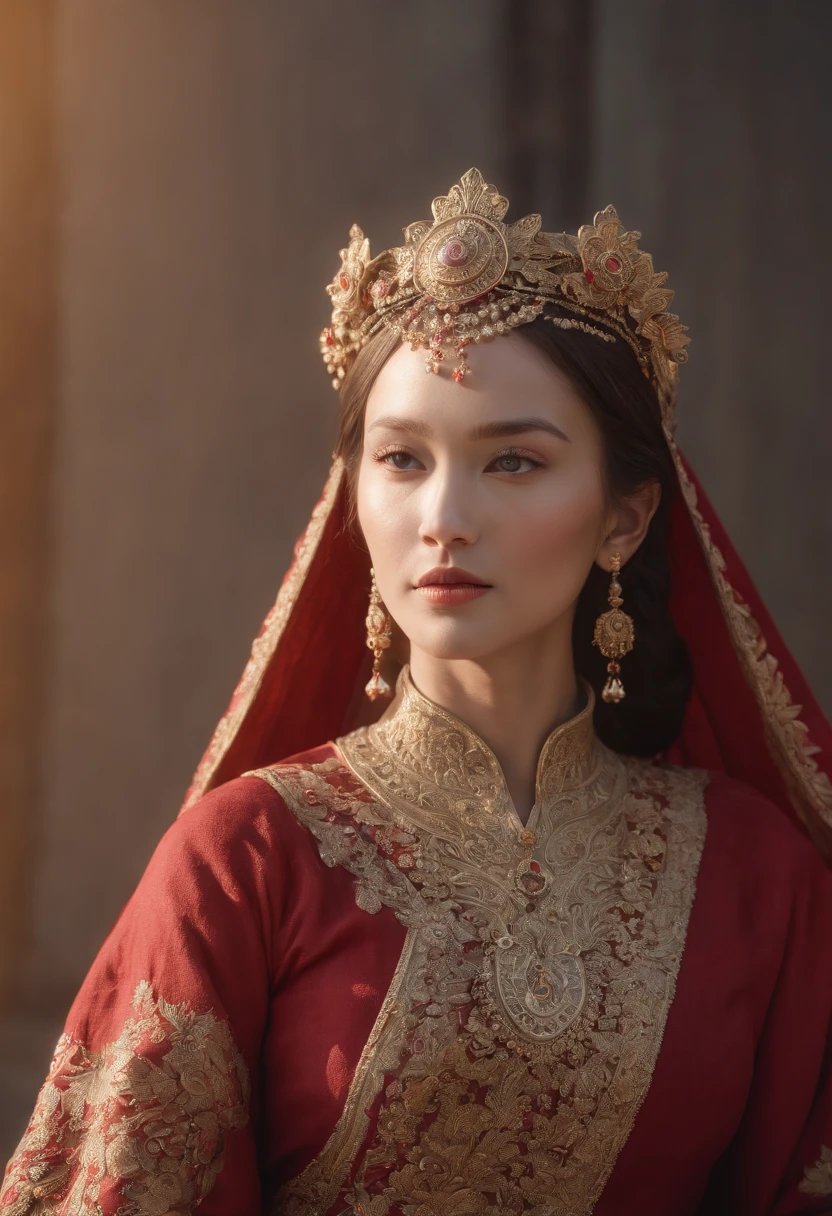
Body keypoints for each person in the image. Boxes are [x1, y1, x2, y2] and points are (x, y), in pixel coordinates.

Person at [2, 169, 832, 1216]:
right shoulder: (249, 861)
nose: (443, 516)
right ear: (351, 496)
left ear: (622, 518)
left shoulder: (757, 875)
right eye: (400, 458)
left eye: (514, 463)